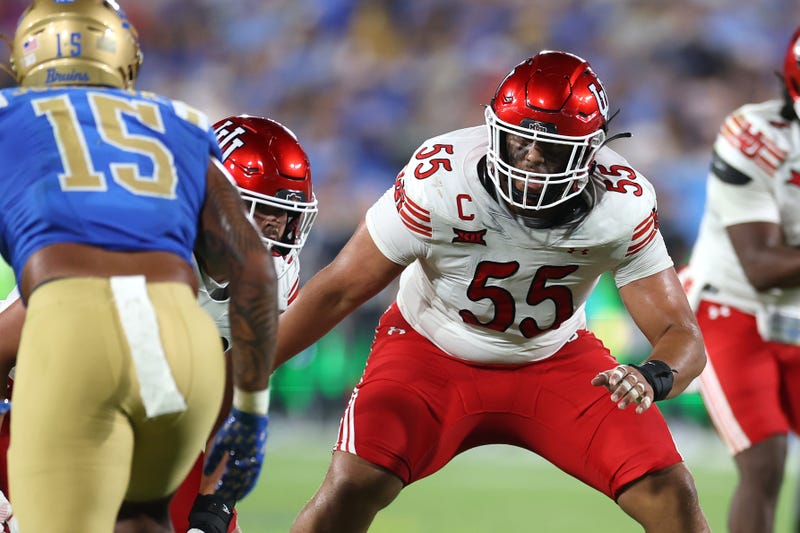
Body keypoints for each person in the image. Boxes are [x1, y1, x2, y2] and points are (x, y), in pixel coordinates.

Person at [272, 49, 710, 532]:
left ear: (591, 150)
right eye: (520, 141)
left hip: (556, 361)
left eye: (554, 146)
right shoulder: (442, 178)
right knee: (352, 484)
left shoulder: (621, 205)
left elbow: (680, 332)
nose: (533, 157)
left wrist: (652, 375)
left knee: (670, 492)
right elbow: (339, 289)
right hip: (430, 351)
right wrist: (244, 373)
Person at [0, 1, 277, 531]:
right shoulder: (184, 122)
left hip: (73, 328)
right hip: (181, 339)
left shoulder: (10, 116)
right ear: (125, 59)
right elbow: (254, 271)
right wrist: (251, 411)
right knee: (144, 520)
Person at [170, 115, 317, 533]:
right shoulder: (148, 247)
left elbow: (237, 396)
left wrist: (214, 506)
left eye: (284, 214)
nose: (275, 227)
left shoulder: (276, 277)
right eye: (263, 208)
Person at [680, 26, 800, 533]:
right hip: (729, 305)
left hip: (794, 314)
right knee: (764, 461)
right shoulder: (754, 135)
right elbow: (761, 265)